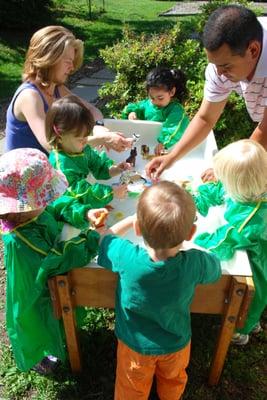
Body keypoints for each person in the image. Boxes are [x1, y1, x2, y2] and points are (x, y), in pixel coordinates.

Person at [98, 181, 221, 400]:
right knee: (173, 381)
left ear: (138, 229)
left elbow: (104, 240)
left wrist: (128, 220)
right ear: (191, 232)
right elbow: (216, 268)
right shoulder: (194, 263)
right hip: (176, 342)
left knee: (131, 389)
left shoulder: (126, 257)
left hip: (135, 345)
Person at [0, 148, 104, 373]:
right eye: (44, 197)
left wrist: (84, 214)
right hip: (33, 289)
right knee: (35, 320)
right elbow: (56, 259)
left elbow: (57, 207)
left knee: (53, 313)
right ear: (23, 207)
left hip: (43, 277)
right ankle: (39, 355)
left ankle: (59, 336)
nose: (48, 200)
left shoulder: (33, 212)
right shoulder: (22, 237)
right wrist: (90, 239)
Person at [146, 5, 267, 180]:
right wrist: (172, 156)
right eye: (215, 64)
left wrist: (228, 169)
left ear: (253, 50)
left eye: (225, 66)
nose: (218, 73)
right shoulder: (222, 62)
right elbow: (206, 118)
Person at [5, 25, 132, 156]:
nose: (71, 67)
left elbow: (91, 111)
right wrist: (102, 139)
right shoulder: (30, 96)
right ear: (50, 59)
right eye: (68, 61)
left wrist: (99, 128)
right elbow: (52, 145)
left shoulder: (56, 89)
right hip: (22, 174)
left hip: (43, 170)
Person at [191, 139, 267, 345]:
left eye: (225, 178)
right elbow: (218, 191)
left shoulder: (251, 218)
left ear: (239, 185)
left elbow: (224, 241)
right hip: (246, 242)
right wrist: (195, 201)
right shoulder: (247, 187)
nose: (221, 181)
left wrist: (194, 239)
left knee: (253, 296)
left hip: (258, 261)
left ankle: (242, 330)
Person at [46, 95, 131, 229]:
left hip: (84, 204)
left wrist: (117, 169)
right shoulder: (61, 164)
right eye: (81, 139)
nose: (86, 141)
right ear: (60, 137)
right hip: (69, 214)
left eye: (87, 136)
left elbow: (99, 167)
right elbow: (79, 193)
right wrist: (111, 192)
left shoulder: (80, 148)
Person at [121, 66, 189, 155]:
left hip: (167, 148)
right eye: (151, 97)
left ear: (171, 92)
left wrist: (163, 143)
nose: (155, 101)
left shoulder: (176, 110)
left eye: (160, 98)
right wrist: (132, 112)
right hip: (145, 143)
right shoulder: (148, 104)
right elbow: (136, 107)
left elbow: (174, 128)